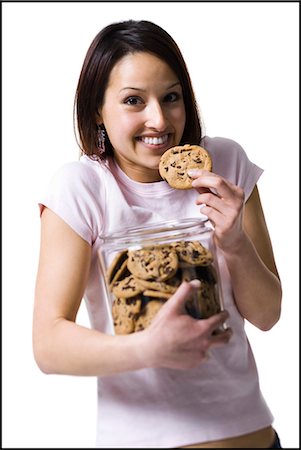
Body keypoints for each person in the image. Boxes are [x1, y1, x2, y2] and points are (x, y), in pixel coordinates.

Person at [33, 20, 283, 448]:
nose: (159, 119)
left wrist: (236, 242)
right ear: (97, 108)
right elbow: (48, 343)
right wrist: (149, 349)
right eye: (134, 100)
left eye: (171, 97)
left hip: (256, 439)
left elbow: (267, 314)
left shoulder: (224, 161)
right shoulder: (82, 188)